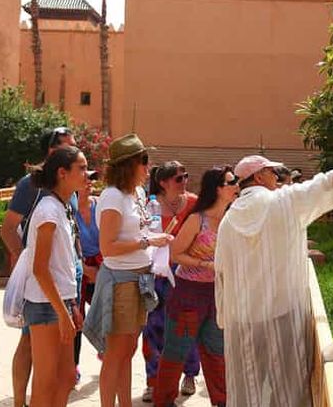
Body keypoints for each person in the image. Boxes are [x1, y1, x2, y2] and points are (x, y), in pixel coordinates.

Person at [215, 151, 333, 407]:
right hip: (283, 316)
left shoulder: (229, 220)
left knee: (249, 387)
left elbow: (221, 272)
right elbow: (323, 184)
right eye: (271, 172)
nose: (276, 177)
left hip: (244, 320)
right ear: (258, 177)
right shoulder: (284, 202)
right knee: (289, 388)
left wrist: (224, 318)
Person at [83, 133, 173, 407]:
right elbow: (108, 247)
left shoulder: (137, 193)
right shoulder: (112, 196)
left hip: (139, 278)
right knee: (116, 353)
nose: (148, 167)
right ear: (128, 165)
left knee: (128, 350)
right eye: (144, 161)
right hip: (121, 281)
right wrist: (149, 241)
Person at [0, 126, 76, 407]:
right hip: (42, 289)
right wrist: (27, 261)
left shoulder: (68, 192)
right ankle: (20, 401)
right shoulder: (30, 186)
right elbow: (7, 229)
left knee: (63, 372)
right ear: (52, 152)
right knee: (29, 344)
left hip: (65, 285)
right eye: (67, 146)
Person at [153, 166, 238, 407]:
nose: (236, 187)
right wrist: (205, 264)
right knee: (175, 351)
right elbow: (175, 253)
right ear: (218, 189)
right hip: (189, 293)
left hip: (218, 293)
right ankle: (164, 402)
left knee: (216, 352)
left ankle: (222, 402)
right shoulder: (196, 219)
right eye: (231, 183)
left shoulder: (233, 219)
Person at [23, 146, 87, 407]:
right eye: (82, 168)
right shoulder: (49, 210)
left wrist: (71, 306)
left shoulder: (62, 207)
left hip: (61, 303)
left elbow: (63, 265)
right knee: (45, 384)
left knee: (67, 377)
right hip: (46, 305)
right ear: (63, 173)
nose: (87, 174)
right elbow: (40, 268)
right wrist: (63, 312)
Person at [141, 161, 201, 402]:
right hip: (152, 273)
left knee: (186, 325)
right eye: (178, 178)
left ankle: (189, 373)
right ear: (163, 183)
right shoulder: (149, 205)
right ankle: (152, 381)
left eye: (185, 176)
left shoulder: (195, 203)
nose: (184, 181)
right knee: (151, 328)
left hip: (184, 273)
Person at [74, 169, 102, 383]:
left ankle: (107, 352)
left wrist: (101, 269)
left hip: (103, 265)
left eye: (91, 179)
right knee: (77, 319)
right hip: (78, 267)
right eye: (85, 179)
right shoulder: (68, 209)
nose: (89, 183)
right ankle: (72, 366)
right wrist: (84, 268)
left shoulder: (100, 205)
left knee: (107, 313)